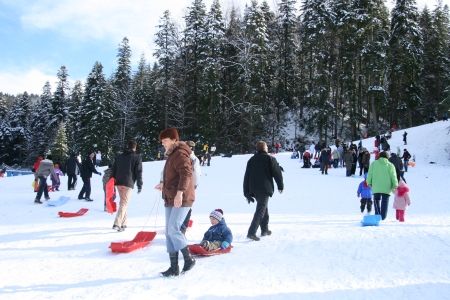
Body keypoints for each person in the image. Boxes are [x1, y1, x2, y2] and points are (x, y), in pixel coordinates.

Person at [154, 128, 196, 277]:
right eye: (162, 141)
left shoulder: (179, 153)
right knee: (169, 233)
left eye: (165, 141)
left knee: (173, 229)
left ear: (174, 140)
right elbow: (174, 176)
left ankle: (188, 258)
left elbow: (186, 173)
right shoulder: (172, 155)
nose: (163, 144)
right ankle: (174, 267)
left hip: (182, 198)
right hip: (170, 197)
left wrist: (179, 193)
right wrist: (163, 185)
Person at [243, 141, 284, 241]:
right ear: (265, 148)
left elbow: (246, 176)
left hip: (254, 188)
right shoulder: (270, 159)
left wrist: (246, 192)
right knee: (261, 209)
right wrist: (280, 186)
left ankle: (264, 229)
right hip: (264, 188)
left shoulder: (251, 160)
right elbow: (277, 173)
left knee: (263, 208)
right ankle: (251, 232)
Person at [111, 140, 143, 231]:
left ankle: (123, 224)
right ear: (135, 147)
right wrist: (139, 185)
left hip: (118, 182)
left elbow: (114, 169)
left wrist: (112, 181)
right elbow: (139, 172)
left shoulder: (119, 156)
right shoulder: (137, 157)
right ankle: (117, 223)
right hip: (128, 183)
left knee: (123, 202)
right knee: (124, 203)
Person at [366, 151, 398, 220]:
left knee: (376, 200)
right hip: (387, 187)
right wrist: (395, 185)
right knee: (385, 201)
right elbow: (393, 176)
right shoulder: (390, 165)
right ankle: (383, 217)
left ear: (379, 156)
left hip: (376, 186)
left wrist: (368, 182)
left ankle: (377, 215)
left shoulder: (374, 164)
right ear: (387, 157)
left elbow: (370, 174)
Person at [180, 141, 202, 234]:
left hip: (179, 184)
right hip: (188, 185)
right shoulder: (194, 158)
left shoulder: (180, 156)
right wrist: (195, 184)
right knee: (186, 205)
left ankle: (179, 226)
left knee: (179, 205)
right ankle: (182, 227)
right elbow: (197, 173)